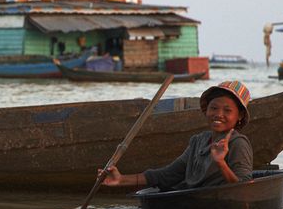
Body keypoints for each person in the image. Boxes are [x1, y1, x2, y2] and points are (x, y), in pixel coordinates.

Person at [102, 80, 253, 191]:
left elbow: (245, 189)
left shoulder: (238, 143)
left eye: (227, 111)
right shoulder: (198, 141)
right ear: (206, 110)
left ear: (239, 115)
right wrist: (121, 180)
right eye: (213, 108)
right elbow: (169, 174)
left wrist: (220, 162)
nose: (218, 114)